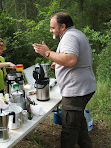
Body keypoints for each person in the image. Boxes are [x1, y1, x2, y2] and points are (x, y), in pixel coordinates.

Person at [33, 12, 96, 148]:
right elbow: (73, 59)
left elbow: (71, 59)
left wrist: (47, 53)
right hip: (84, 87)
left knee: (69, 129)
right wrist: (59, 62)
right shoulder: (77, 34)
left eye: (52, 27)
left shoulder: (69, 37)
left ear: (62, 26)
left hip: (75, 91)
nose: (51, 30)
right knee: (78, 123)